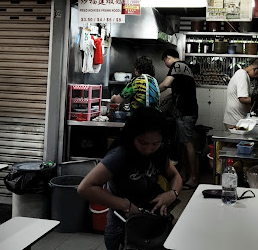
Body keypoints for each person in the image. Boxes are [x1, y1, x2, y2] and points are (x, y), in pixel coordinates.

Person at [78, 106, 182, 250]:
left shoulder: (159, 153)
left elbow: (175, 176)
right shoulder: (120, 155)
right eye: (143, 143)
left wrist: (172, 193)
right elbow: (85, 188)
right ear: (131, 135)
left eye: (155, 144)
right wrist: (125, 205)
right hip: (125, 228)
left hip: (153, 223)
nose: (148, 149)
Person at [159, 48, 198, 189]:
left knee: (187, 144)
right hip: (184, 111)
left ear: (168, 57)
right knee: (182, 144)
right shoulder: (184, 67)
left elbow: (165, 84)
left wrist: (150, 91)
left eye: (164, 61)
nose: (165, 65)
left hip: (186, 112)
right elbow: (181, 89)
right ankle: (183, 174)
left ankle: (193, 177)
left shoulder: (178, 66)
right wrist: (168, 98)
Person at [223, 58, 258, 129]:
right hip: (234, 122)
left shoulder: (243, 75)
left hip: (237, 120)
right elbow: (243, 99)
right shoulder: (242, 75)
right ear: (256, 69)